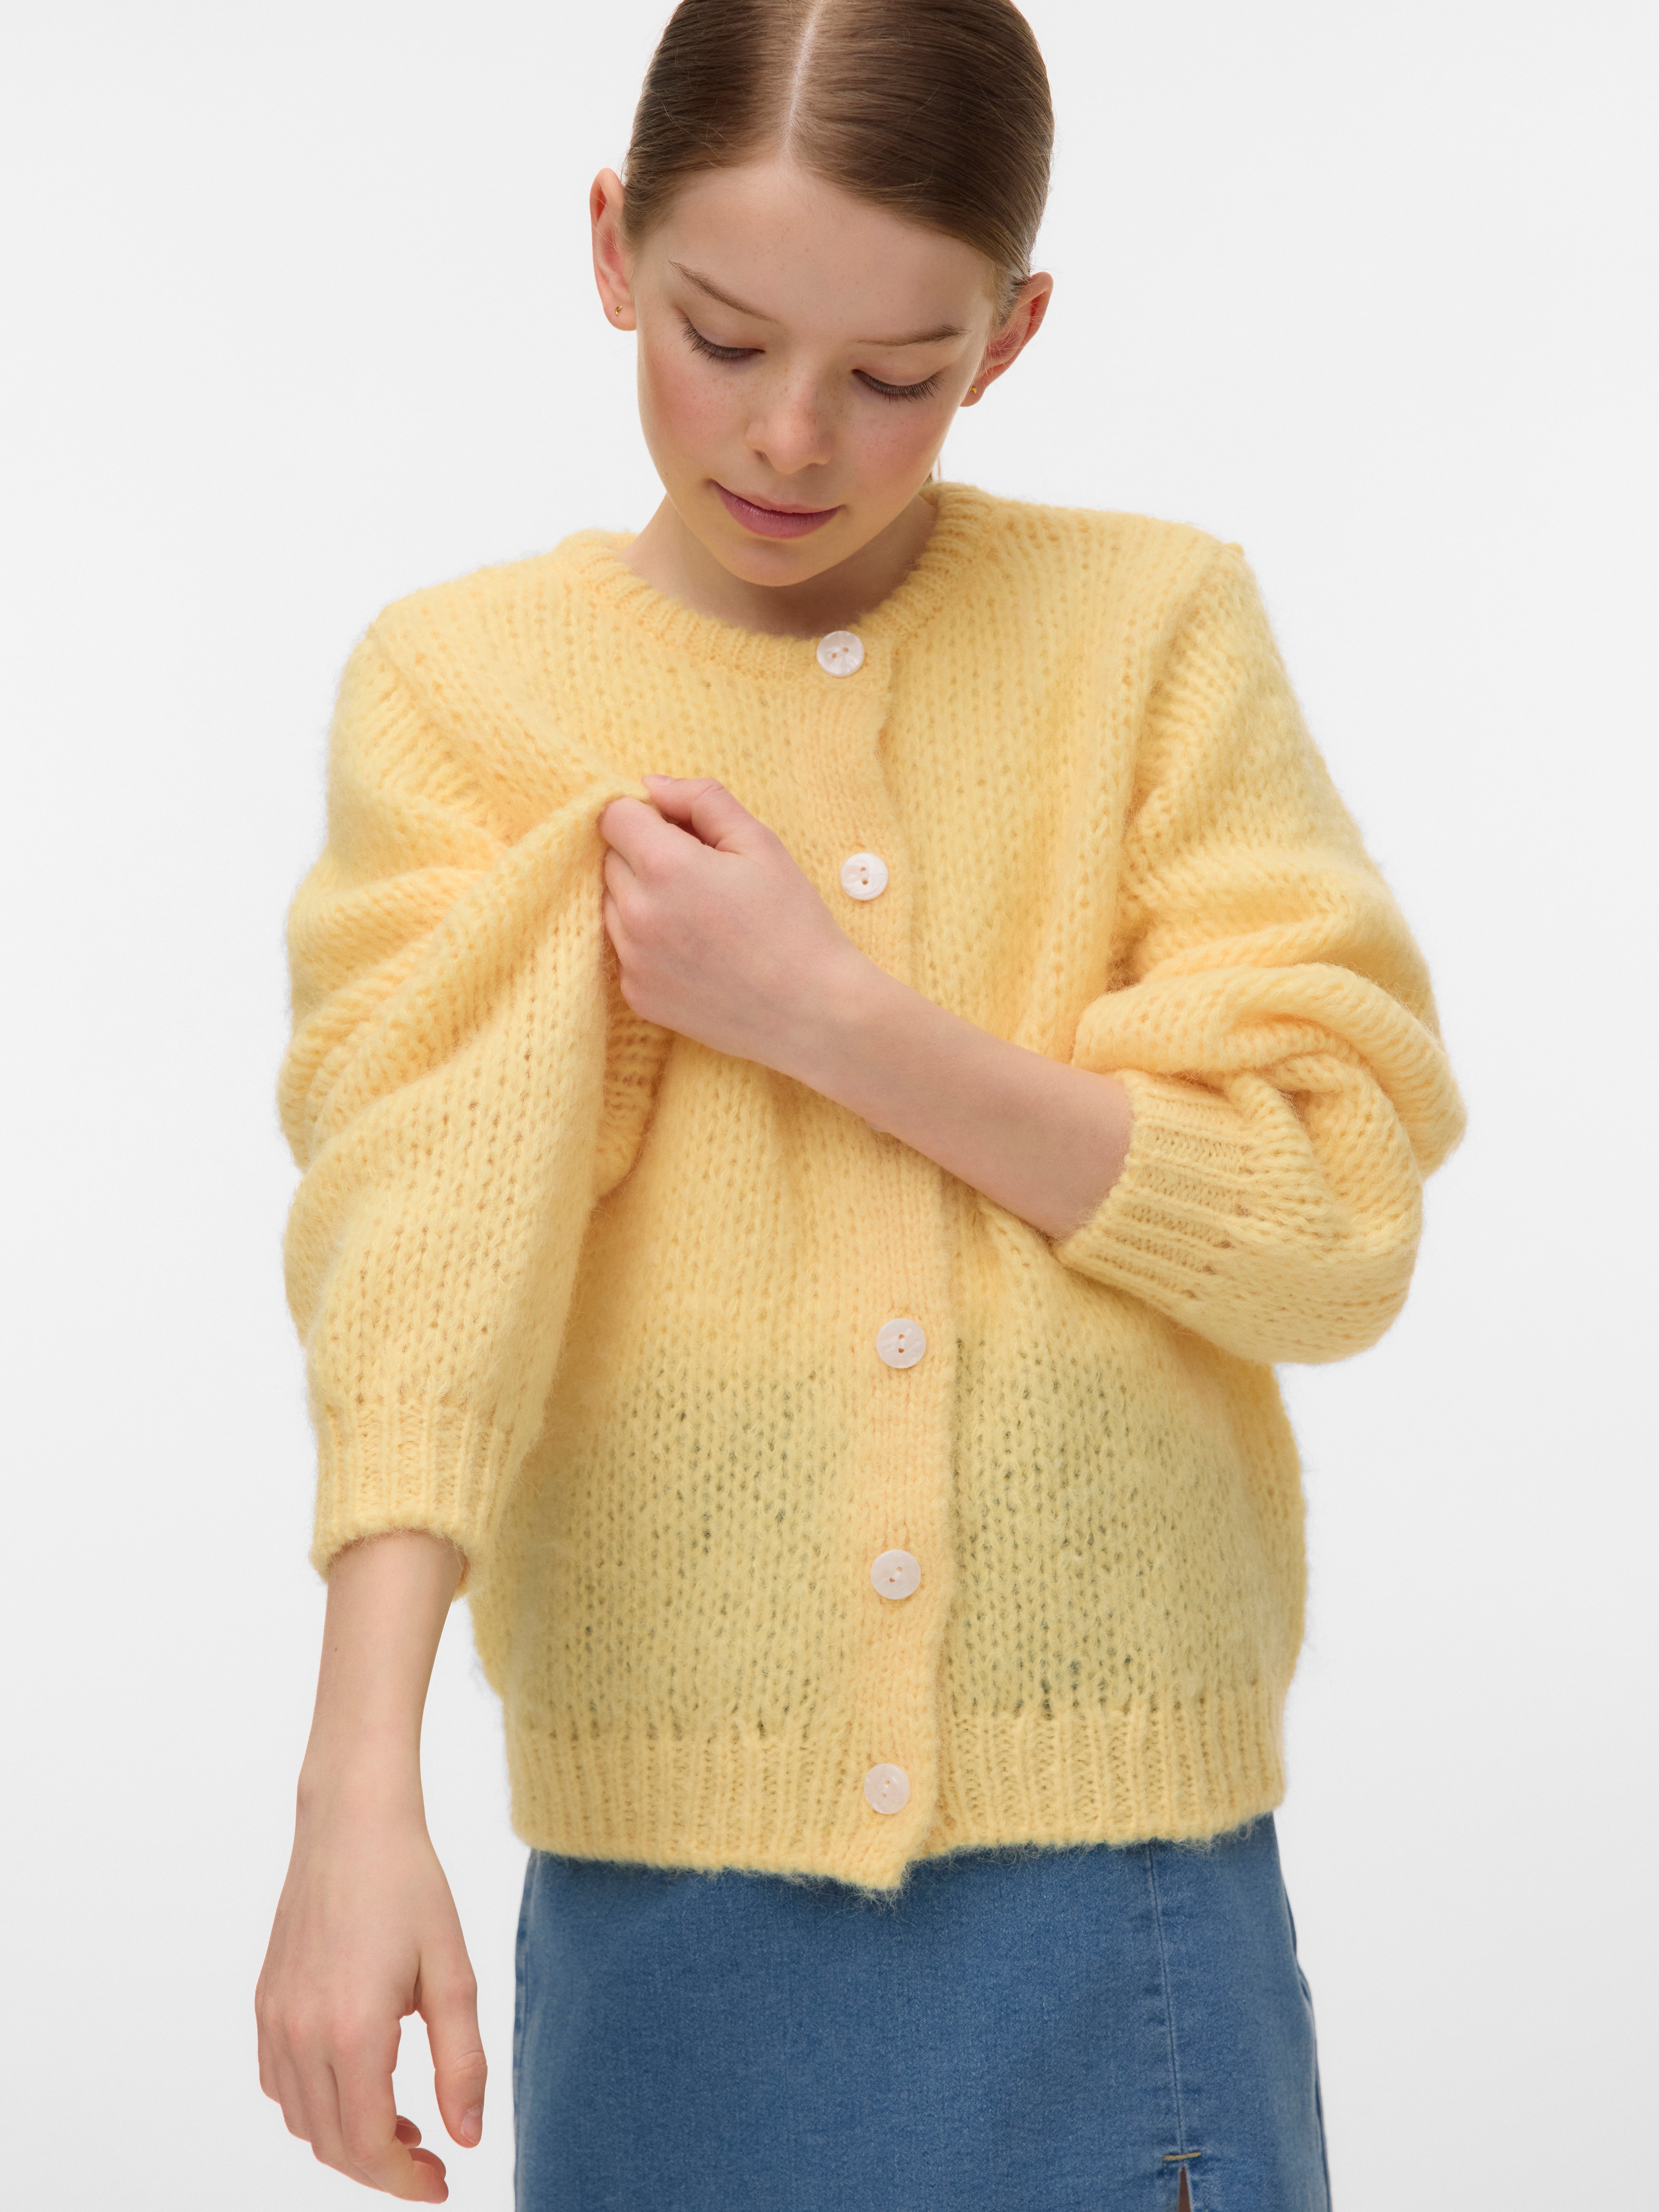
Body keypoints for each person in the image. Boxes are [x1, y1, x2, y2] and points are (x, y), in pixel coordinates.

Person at [255, 2, 1465, 2205]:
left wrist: (826, 1014)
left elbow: (1329, 1221)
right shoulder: (461, 694)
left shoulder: (1148, 634)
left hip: (1118, 1897)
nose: (791, 437)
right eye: (721, 339)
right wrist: (355, 1798)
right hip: (664, 1899)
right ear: (611, 248)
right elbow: (417, 1260)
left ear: (1008, 335)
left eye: (895, 375)